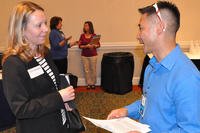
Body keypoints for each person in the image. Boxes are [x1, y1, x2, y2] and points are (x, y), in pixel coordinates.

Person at [107, 1, 200, 133]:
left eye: (141, 28)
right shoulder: (151, 67)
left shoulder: (187, 78)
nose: (137, 36)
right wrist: (127, 110)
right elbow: (148, 103)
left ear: (160, 27)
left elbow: (191, 131)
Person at [2, 1, 75, 133]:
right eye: (38, 25)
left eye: (45, 23)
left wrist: (63, 102)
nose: (46, 29)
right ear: (22, 29)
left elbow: (52, 86)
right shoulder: (13, 63)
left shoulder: (45, 52)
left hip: (59, 122)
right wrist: (59, 98)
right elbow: (21, 109)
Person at [79, 21, 100, 89]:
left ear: (90, 27)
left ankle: (93, 83)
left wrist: (94, 45)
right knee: (86, 70)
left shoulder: (94, 35)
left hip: (93, 55)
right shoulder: (82, 36)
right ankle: (88, 83)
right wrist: (86, 46)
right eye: (84, 26)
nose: (85, 27)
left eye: (87, 26)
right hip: (84, 55)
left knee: (93, 69)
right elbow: (80, 46)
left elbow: (98, 45)